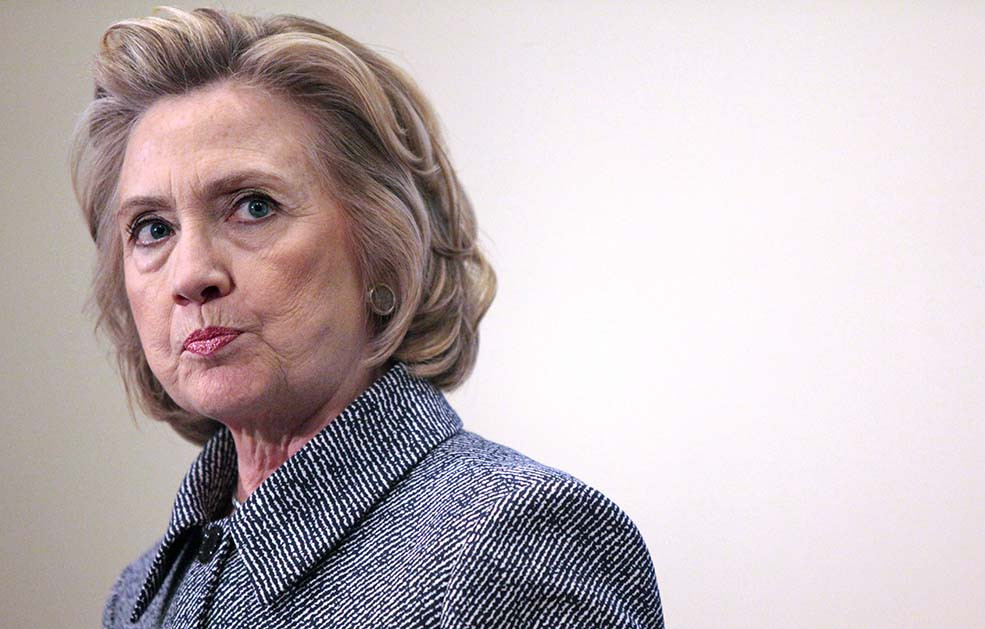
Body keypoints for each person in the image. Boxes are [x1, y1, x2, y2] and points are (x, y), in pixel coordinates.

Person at [71, 7, 664, 628]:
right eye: (153, 229)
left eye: (253, 206)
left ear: (384, 251)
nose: (191, 274)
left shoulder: (515, 541)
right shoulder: (142, 596)